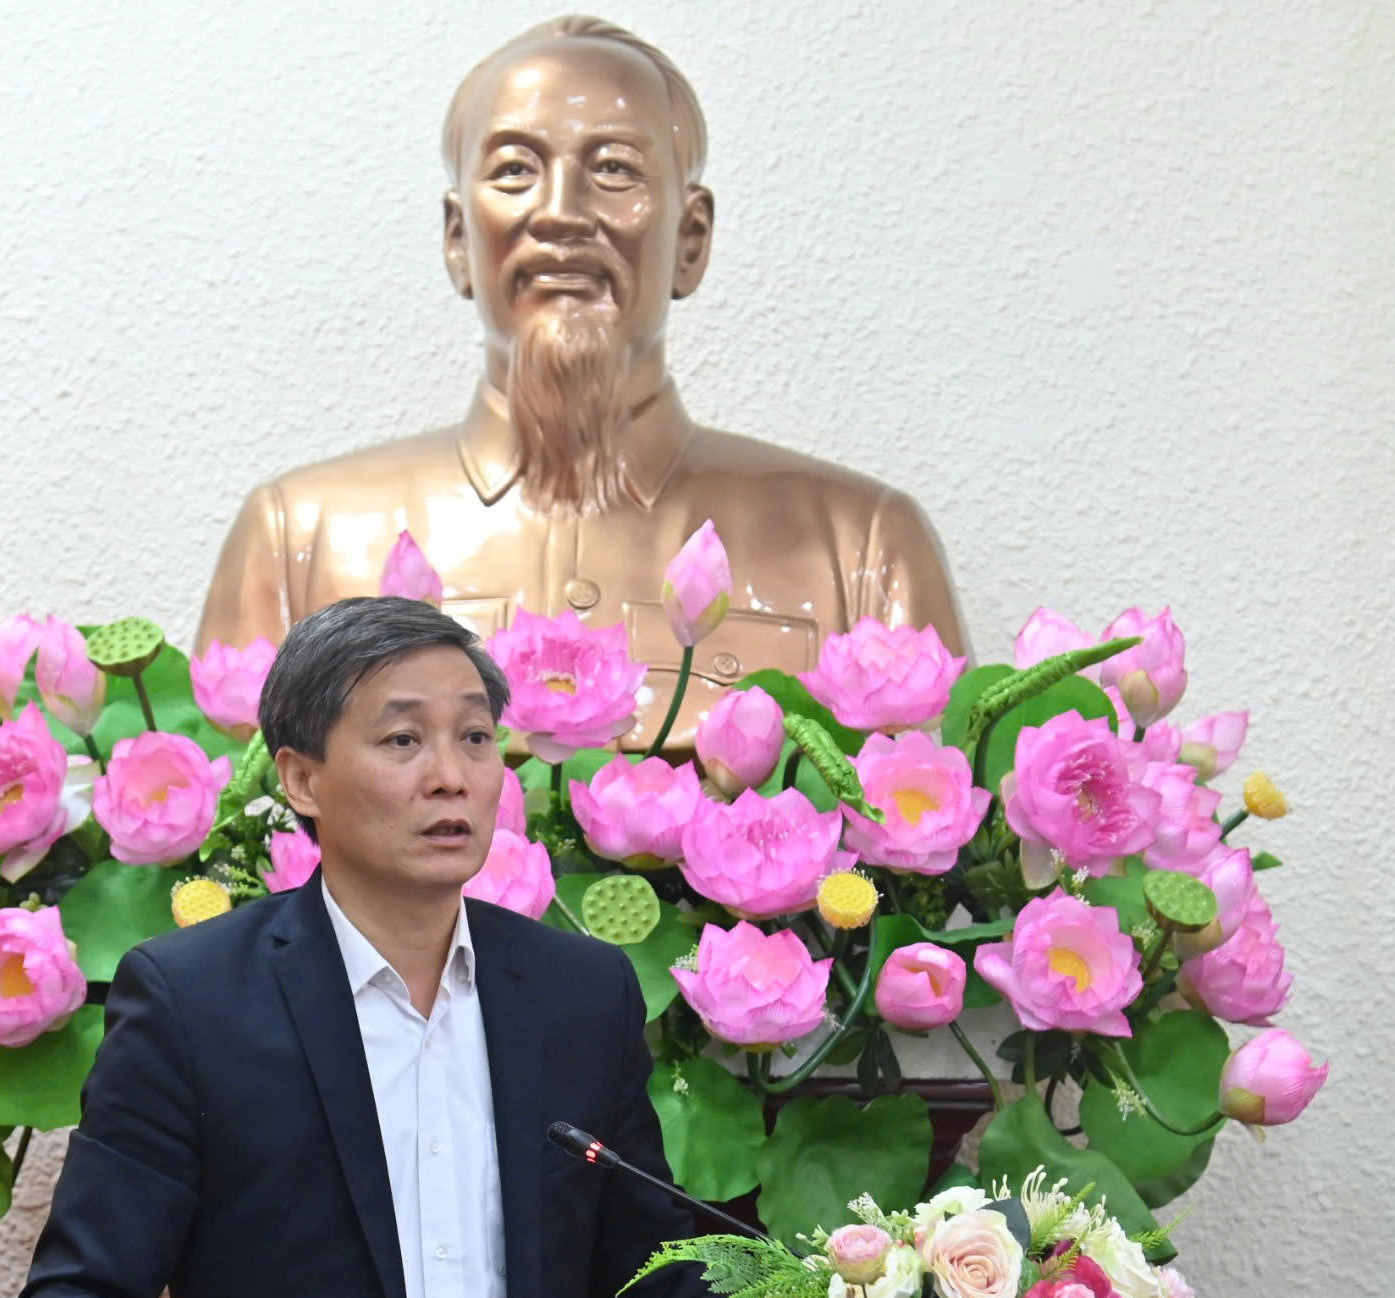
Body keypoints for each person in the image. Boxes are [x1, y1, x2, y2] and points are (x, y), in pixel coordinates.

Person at [13, 597, 736, 1298]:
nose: (451, 776)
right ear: (302, 778)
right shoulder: (195, 1002)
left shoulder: (577, 996)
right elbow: (78, 1291)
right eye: (403, 739)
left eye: (475, 737)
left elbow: (652, 1278)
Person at [195, 16, 968, 749]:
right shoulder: (297, 541)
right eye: (514, 170)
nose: (561, 213)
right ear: (458, 240)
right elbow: (235, 829)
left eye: (614, 170)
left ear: (691, 239)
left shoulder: (860, 548)